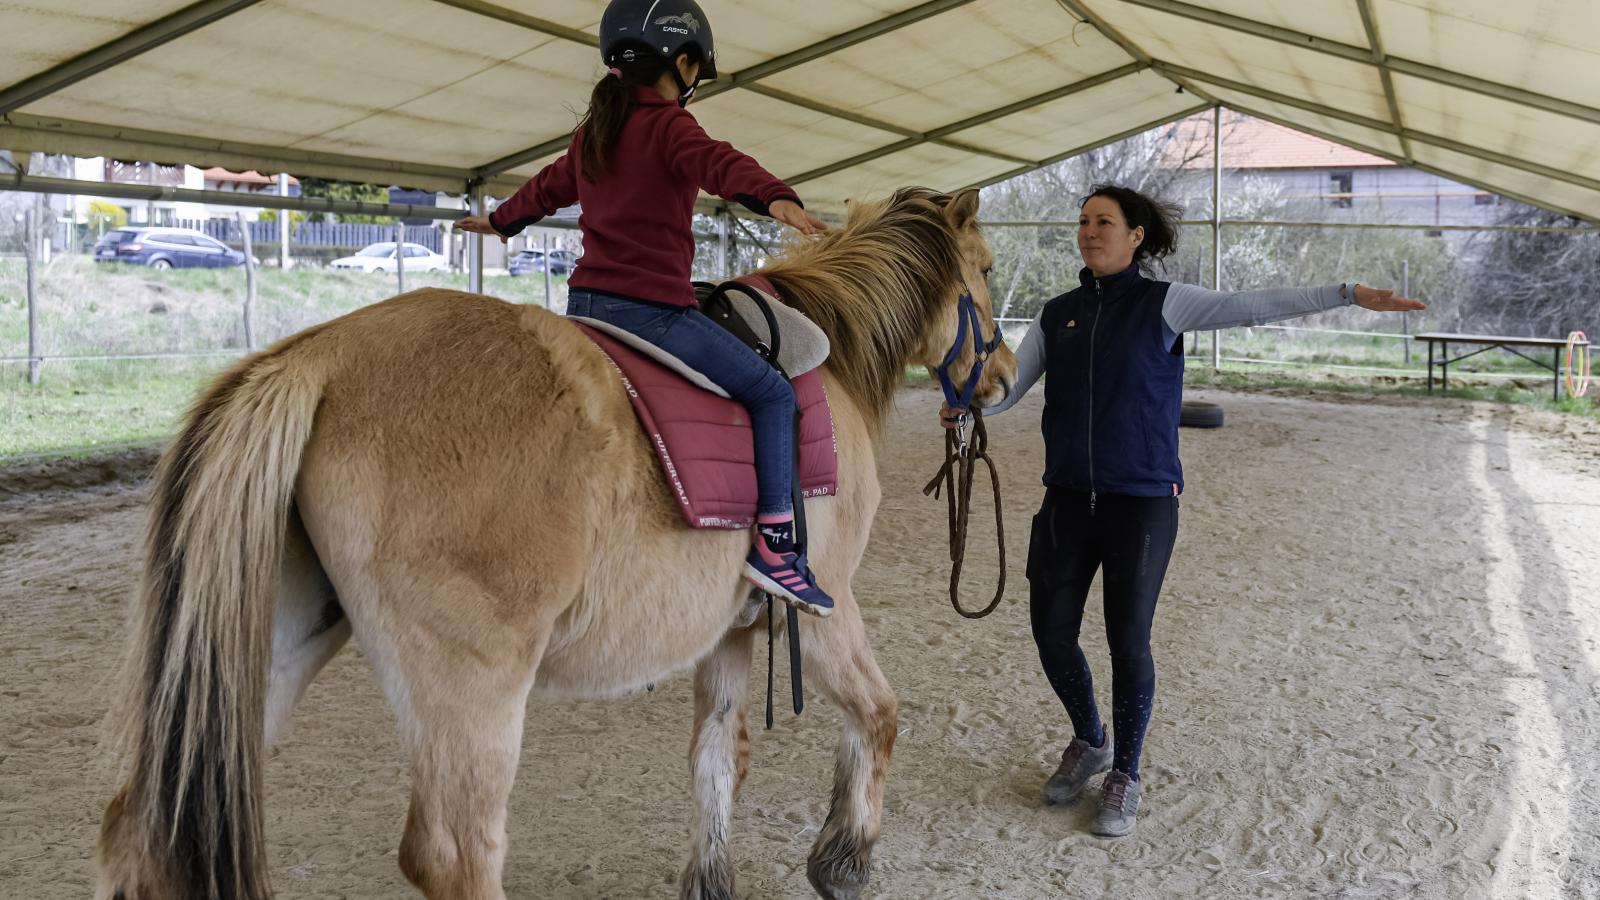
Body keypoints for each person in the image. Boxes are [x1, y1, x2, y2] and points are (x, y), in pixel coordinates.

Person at [944, 184, 1425, 837]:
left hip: (1140, 504)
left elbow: (1252, 307)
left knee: (1126, 640)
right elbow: (1008, 391)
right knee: (1051, 632)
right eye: (1083, 221)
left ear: (1136, 234)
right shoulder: (1056, 314)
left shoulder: (1165, 304)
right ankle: (1092, 739)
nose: (1090, 231)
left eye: (1104, 221)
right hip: (1066, 499)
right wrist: (972, 406)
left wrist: (1344, 293)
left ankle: (1126, 774)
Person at [458, 0, 836, 616]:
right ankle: (775, 546)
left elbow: (549, 186)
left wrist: (501, 222)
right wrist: (777, 200)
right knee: (772, 393)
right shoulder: (670, 126)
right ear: (683, 63)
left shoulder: (594, 135)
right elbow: (722, 165)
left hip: (585, 309)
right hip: (653, 312)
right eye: (695, 69)